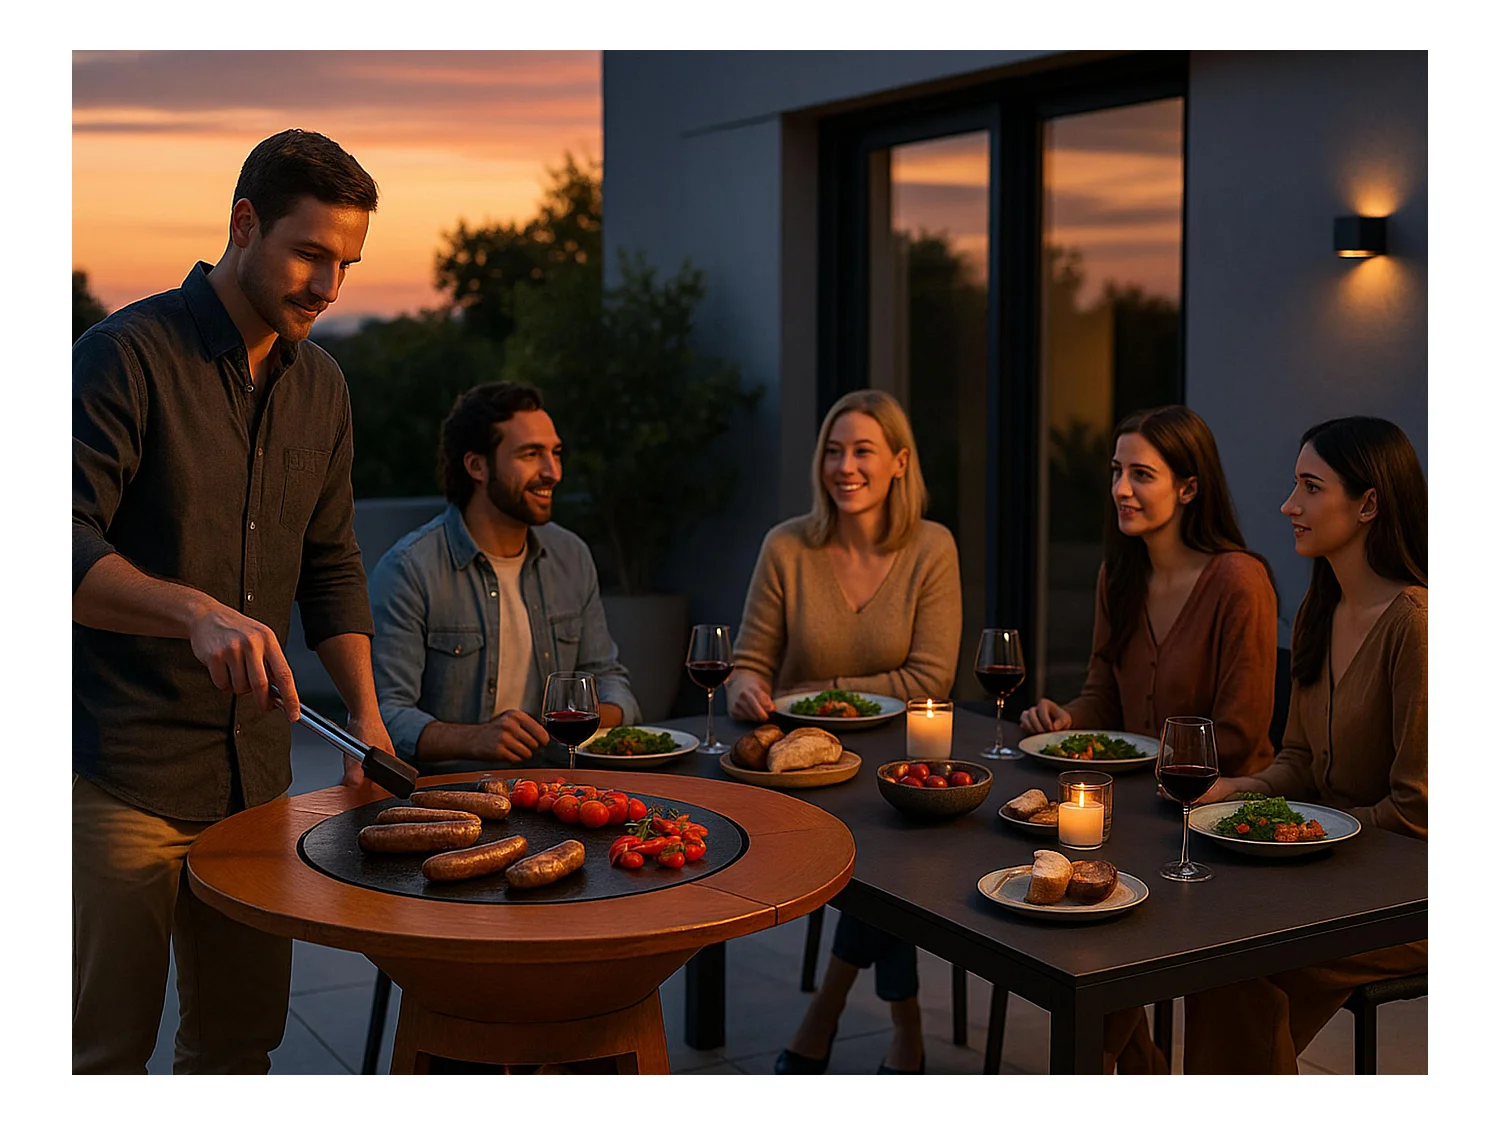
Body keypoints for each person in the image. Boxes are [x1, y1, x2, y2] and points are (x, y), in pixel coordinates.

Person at [72, 129, 393, 1073]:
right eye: (310, 253)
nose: (328, 286)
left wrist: (367, 717)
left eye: (346, 264)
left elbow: (331, 563)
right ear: (244, 224)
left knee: (240, 1048)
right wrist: (193, 611)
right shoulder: (123, 355)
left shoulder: (323, 386)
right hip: (124, 773)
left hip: (257, 786)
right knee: (103, 1055)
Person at [1018, 403, 1278, 1073]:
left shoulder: (1239, 580)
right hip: (1137, 811)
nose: (1121, 489)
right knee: (1058, 893)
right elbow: (1102, 694)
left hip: (1215, 823)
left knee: (1096, 920)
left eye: (1142, 474)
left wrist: (1144, 767)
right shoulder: (1121, 574)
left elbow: (1241, 733)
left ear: (1189, 487)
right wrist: (1065, 719)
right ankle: (1128, 1069)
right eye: (1116, 471)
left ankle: (1103, 1066)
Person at [726, 389, 962, 1074]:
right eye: (833, 451)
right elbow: (749, 661)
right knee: (886, 856)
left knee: (886, 851)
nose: (845, 466)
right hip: (805, 768)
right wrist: (745, 686)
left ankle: (828, 1014)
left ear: (899, 462)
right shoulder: (787, 546)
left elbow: (930, 679)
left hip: (902, 759)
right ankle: (903, 1028)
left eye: (863, 451)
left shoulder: (932, 547)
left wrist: (812, 694)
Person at [1183, 415, 1427, 1074]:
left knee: (1236, 960)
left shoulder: (1417, 626)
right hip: (1332, 870)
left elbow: (1417, 813)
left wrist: (1298, 831)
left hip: (1414, 894)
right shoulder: (1322, 610)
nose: (1289, 505)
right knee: (1203, 934)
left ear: (1368, 504)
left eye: (1311, 488)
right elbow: (1295, 759)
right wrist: (1239, 790)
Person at [369, 381, 640, 765]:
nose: (552, 472)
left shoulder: (571, 556)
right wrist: (473, 739)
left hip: (557, 784)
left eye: (555, 453)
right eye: (531, 454)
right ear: (477, 466)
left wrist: (599, 715)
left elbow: (606, 675)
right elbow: (384, 715)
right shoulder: (410, 569)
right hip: (452, 791)